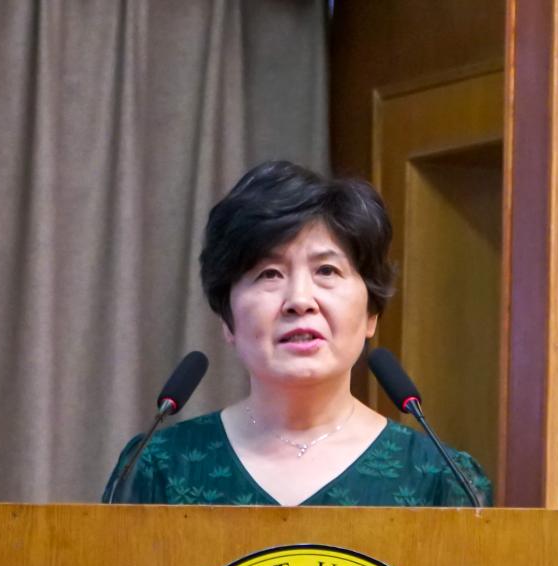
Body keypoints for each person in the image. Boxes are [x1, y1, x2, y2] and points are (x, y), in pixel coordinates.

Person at [103, 160, 491, 507]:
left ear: (371, 312)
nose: (300, 300)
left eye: (327, 271)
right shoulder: (157, 467)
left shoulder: (441, 479)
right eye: (269, 274)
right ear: (227, 318)